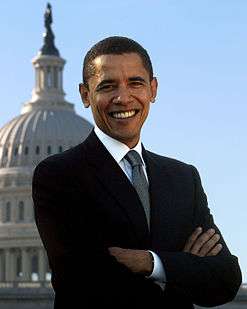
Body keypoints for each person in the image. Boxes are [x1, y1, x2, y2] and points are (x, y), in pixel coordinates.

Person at [32, 36, 242, 308]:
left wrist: (150, 263)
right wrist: (185, 269)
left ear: (153, 89)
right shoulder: (58, 175)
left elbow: (226, 279)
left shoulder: (182, 178)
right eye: (108, 86)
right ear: (86, 94)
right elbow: (84, 283)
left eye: (136, 83)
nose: (123, 97)